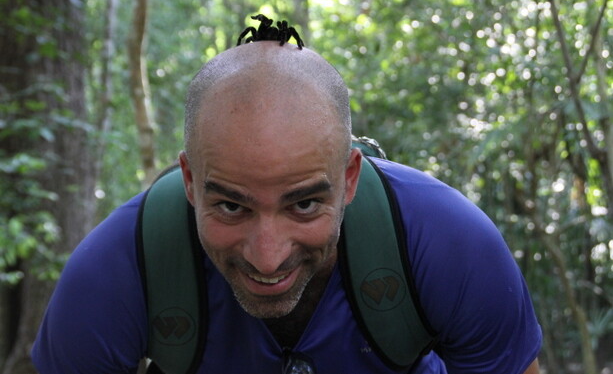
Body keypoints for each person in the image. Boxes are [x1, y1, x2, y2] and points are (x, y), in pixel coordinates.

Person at [32, 21, 542, 373]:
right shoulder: (119, 269)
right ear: (190, 181)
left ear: (349, 178)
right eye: (232, 205)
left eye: (303, 204)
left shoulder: (450, 245)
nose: (268, 256)